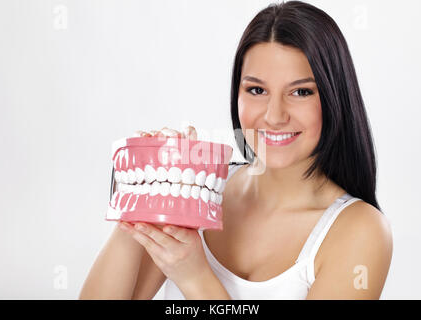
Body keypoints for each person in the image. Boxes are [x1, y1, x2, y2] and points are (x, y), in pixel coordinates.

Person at [79, 0, 392, 300]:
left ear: (334, 96)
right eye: (256, 90)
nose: (274, 115)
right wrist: (143, 197)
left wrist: (194, 277)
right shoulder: (201, 189)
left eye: (301, 91)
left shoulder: (361, 231)